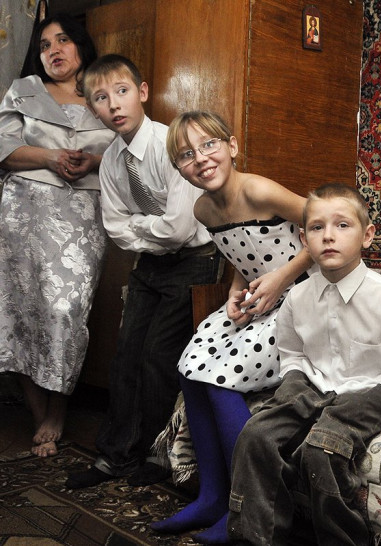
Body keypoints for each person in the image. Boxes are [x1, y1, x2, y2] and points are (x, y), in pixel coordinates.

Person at [226, 183, 381, 546]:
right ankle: (256, 537)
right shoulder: (297, 297)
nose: (328, 236)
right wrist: (294, 379)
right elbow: (292, 353)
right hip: (312, 388)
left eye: (342, 225)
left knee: (322, 449)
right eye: (317, 227)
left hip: (368, 395)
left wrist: (378, 394)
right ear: (304, 240)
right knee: (256, 435)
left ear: (366, 235)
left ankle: (341, 539)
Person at [147, 110, 314, 543]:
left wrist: (281, 278)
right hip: (261, 298)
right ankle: (211, 496)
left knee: (220, 378)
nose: (201, 158)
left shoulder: (258, 189)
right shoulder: (204, 209)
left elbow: (326, 224)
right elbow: (240, 253)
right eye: (186, 154)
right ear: (179, 168)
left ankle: (249, 506)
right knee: (190, 367)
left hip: (305, 297)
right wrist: (234, 293)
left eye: (209, 145)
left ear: (232, 146)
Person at [65, 55, 222, 489]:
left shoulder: (172, 144)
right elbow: (116, 228)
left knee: (158, 358)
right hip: (149, 265)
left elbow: (179, 228)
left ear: (143, 92)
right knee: (126, 357)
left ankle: (159, 455)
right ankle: (115, 456)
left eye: (122, 91)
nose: (114, 104)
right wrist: (150, 230)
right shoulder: (112, 161)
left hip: (195, 260)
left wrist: (141, 225)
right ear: (93, 109)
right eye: (101, 98)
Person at [0, 14, 115, 458]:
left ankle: (59, 406)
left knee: (66, 310)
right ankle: (40, 413)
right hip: (22, 213)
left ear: (81, 45)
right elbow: (4, 149)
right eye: (45, 44)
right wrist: (49, 157)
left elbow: (129, 150)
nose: (53, 50)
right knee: (18, 311)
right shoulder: (24, 90)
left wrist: (94, 162)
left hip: (83, 214)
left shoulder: (104, 91)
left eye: (63, 40)